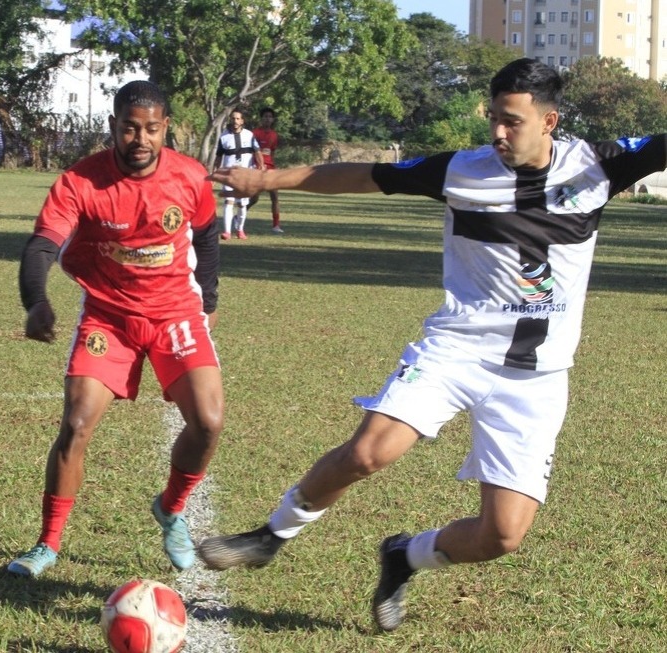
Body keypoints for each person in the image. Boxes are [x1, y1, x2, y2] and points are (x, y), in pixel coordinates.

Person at [198, 58, 667, 632]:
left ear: (550, 121)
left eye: (511, 122)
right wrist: (266, 180)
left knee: (504, 534)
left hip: (537, 375)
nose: (497, 132)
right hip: (458, 350)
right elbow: (362, 176)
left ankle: (404, 556)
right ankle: (271, 534)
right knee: (369, 452)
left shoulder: (597, 164)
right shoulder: (460, 172)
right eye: (493, 118)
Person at [8, 80, 222, 579]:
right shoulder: (80, 182)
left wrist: (209, 299)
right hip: (110, 317)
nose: (140, 139)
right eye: (129, 127)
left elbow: (208, 235)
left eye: (151, 129)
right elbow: (42, 246)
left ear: (166, 128)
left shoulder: (190, 177)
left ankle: (170, 508)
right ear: (113, 126)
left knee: (209, 421)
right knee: (77, 425)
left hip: (175, 314)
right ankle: (47, 544)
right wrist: (36, 302)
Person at [214, 108, 264, 240]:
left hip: (245, 174)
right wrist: (216, 170)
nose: (235, 121)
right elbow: (219, 156)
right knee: (229, 201)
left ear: (242, 121)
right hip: (229, 174)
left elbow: (257, 151)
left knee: (242, 203)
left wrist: (261, 165)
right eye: (233, 118)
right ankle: (227, 232)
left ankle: (240, 230)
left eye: (237, 118)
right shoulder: (224, 137)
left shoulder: (249, 135)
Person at [250, 107, 284, 233]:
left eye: (270, 117)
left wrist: (273, 165)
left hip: (270, 169)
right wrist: (256, 164)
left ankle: (276, 225)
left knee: (274, 196)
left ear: (273, 119)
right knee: (254, 198)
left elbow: (272, 151)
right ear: (261, 118)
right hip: (258, 168)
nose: (267, 119)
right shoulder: (255, 133)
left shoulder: (274, 135)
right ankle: (238, 217)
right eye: (265, 116)